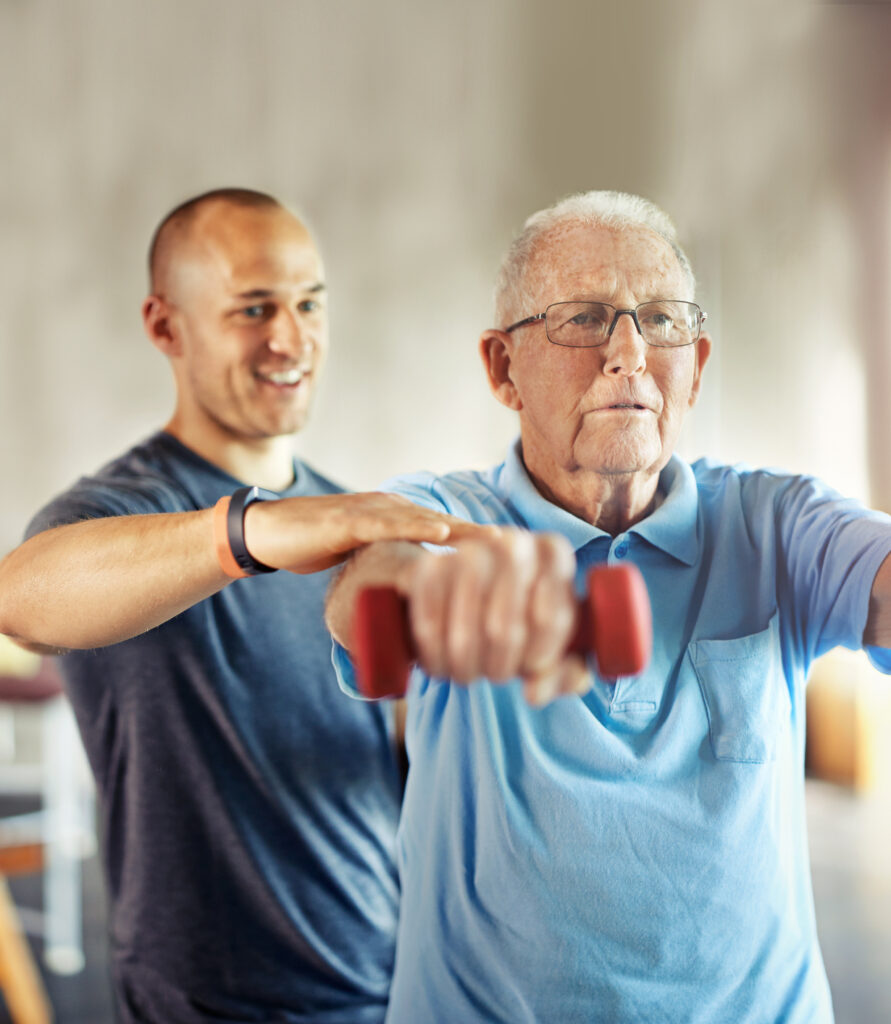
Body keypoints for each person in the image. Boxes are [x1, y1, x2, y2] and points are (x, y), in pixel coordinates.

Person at [325, 190, 891, 1024]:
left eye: (659, 321)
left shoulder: (778, 527)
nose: (627, 354)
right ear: (500, 368)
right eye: (583, 318)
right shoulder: (446, 512)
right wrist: (422, 589)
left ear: (694, 367)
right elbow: (374, 572)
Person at [0, 188, 468, 1024]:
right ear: (165, 327)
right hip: (218, 1007)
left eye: (307, 303)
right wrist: (246, 536)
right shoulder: (119, 510)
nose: (289, 338)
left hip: (394, 988)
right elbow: (23, 598)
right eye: (253, 309)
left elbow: (370, 760)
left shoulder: (348, 519)